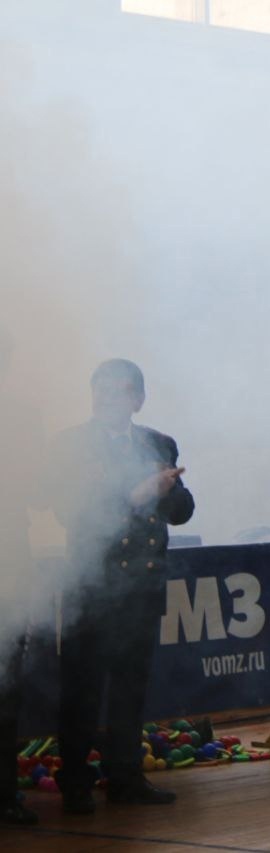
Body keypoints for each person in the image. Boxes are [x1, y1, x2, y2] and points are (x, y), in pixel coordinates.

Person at [47, 359, 194, 814]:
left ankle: (125, 777)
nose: (108, 400)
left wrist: (166, 490)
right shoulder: (71, 446)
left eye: (119, 392)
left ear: (138, 399)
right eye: (100, 391)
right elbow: (68, 513)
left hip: (142, 585)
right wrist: (134, 496)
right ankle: (74, 782)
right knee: (82, 689)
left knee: (131, 687)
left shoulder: (158, 443)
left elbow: (183, 511)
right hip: (91, 585)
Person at [0, 328, 41, 825]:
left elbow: (43, 493)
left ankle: (5, 794)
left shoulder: (22, 421)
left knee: (5, 685)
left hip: (9, 566)